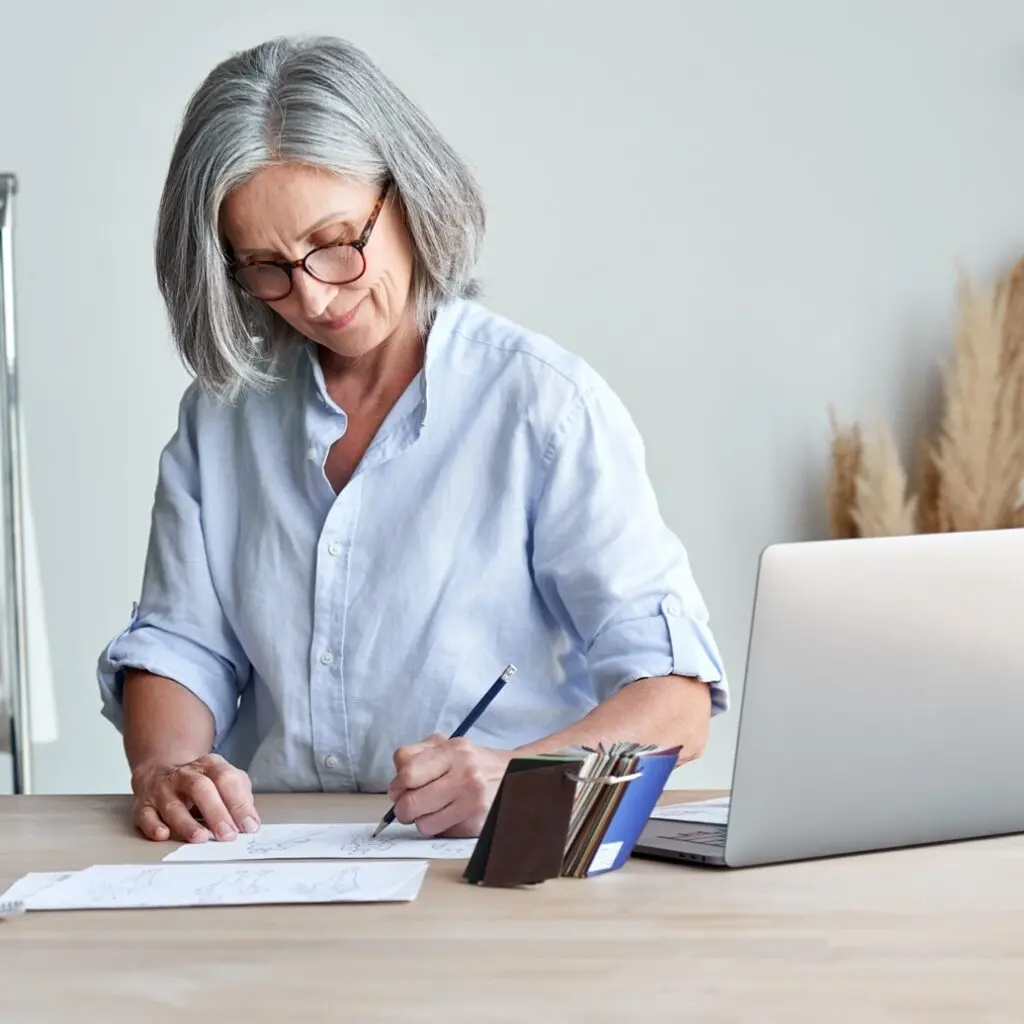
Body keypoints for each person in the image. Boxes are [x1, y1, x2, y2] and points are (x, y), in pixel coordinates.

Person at [96, 34, 729, 846]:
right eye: (267, 267)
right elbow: (183, 646)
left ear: (407, 194)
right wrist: (167, 770)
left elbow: (674, 696)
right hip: (271, 859)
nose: (314, 298)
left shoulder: (544, 407)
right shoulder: (222, 415)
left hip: (486, 867)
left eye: (335, 244)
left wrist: (519, 779)